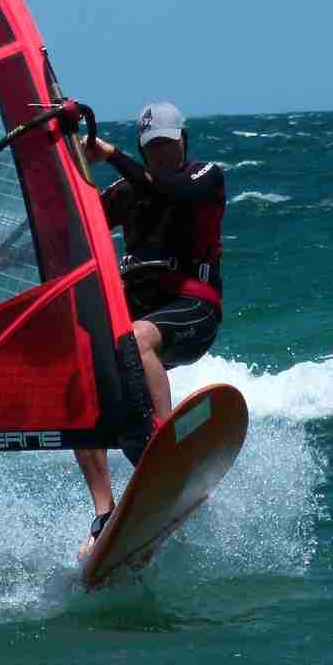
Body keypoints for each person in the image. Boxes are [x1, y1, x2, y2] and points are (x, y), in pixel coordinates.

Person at [75, 101, 226, 558]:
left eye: (167, 144)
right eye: (152, 148)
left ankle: (165, 449)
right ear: (143, 150)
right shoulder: (127, 191)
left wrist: (110, 154)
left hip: (193, 310)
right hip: (140, 322)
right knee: (83, 387)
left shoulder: (204, 177)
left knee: (137, 337)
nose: (161, 154)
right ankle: (104, 513)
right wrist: (0, 257)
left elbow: (170, 192)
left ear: (183, 141)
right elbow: (73, 229)